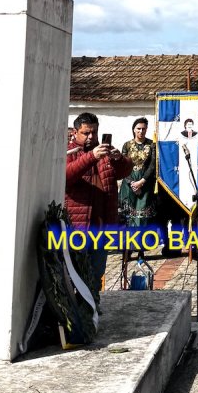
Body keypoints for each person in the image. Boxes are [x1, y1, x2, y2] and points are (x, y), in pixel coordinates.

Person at [65, 113, 131, 284]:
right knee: (75, 275)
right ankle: (76, 309)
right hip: (78, 225)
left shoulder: (104, 151)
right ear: (75, 132)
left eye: (94, 132)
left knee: (96, 274)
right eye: (86, 133)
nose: (91, 137)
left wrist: (118, 159)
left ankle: (92, 308)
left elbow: (125, 172)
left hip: (102, 225)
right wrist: (91, 157)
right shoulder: (69, 151)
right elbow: (66, 176)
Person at [118, 117, 157, 229]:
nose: (141, 131)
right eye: (138, 129)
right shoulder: (127, 145)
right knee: (127, 216)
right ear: (134, 129)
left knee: (143, 216)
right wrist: (132, 183)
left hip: (146, 183)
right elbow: (123, 165)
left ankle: (143, 242)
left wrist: (141, 182)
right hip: (129, 183)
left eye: (143, 129)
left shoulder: (152, 145)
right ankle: (128, 242)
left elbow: (153, 165)